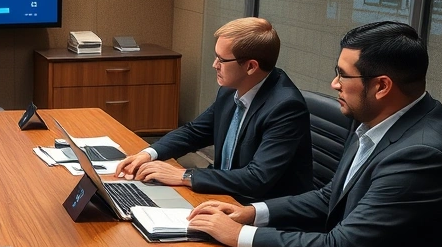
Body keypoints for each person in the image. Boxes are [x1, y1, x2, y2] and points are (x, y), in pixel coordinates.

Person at [187, 21, 442, 247]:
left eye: (343, 74)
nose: (334, 84)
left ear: (381, 86)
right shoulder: (376, 119)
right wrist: (250, 213)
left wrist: (238, 235)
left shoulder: (422, 154)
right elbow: (332, 195)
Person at [115, 17, 312, 204]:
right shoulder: (230, 90)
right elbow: (195, 131)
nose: (214, 65)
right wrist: (149, 153)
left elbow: (256, 179)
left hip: (259, 210)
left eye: (222, 60)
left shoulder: (285, 108)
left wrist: (184, 175)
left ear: (251, 67)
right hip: (222, 194)